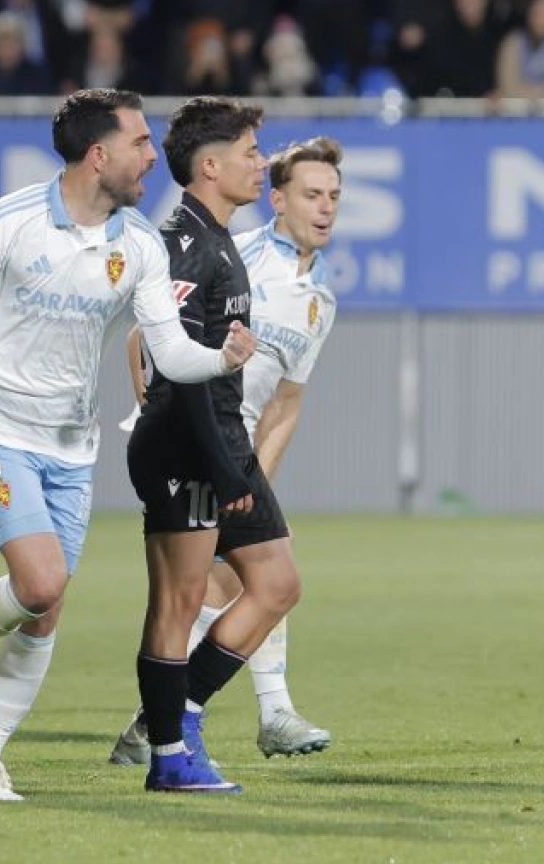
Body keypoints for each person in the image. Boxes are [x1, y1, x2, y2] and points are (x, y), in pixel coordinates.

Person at [0, 88, 256, 801]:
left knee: (47, 605)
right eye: (140, 142)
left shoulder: (139, 244)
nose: (153, 156)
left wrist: (220, 358)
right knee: (40, 581)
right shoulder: (12, 219)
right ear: (99, 155)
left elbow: (169, 351)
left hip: (71, 441)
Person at [110, 135, 340, 766]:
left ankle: (168, 721)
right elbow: (142, 338)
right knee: (203, 592)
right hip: (194, 440)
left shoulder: (322, 298)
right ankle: (195, 722)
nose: (326, 207)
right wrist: (158, 409)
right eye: (312, 194)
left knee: (253, 579)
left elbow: (286, 402)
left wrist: (255, 475)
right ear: (278, 200)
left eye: (334, 196)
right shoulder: (238, 256)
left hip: (233, 451)